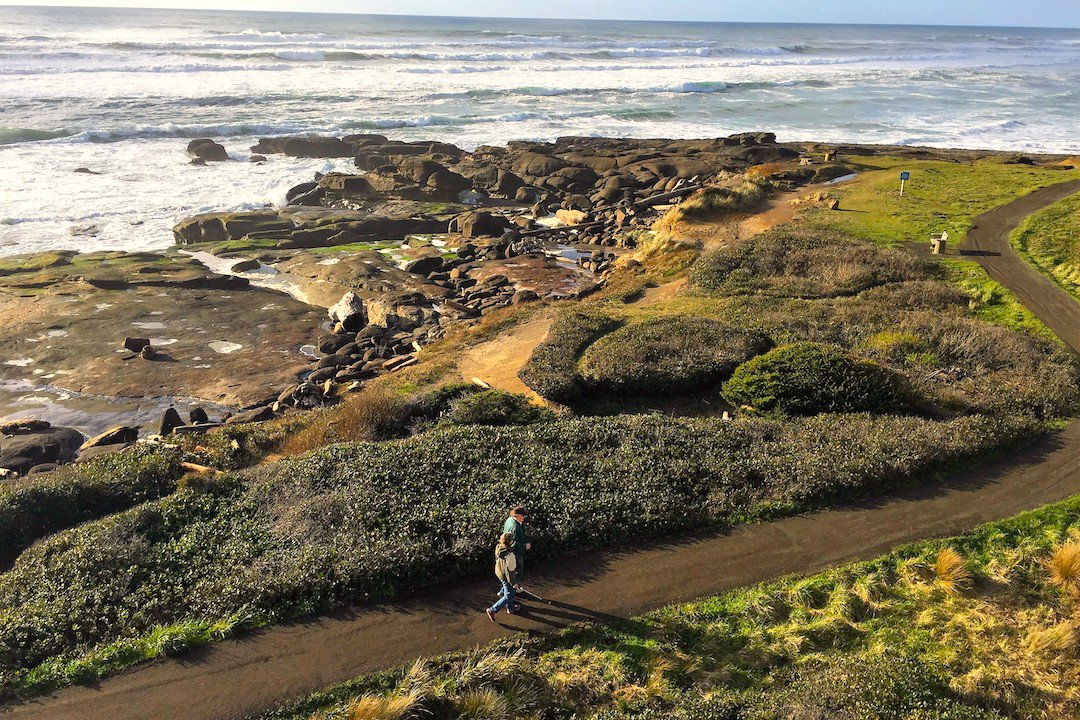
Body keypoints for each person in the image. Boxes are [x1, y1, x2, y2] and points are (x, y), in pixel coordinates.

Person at [486, 532, 520, 620]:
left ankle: (510, 608)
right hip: (506, 576)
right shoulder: (510, 555)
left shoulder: (499, 547)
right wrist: (514, 583)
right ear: (510, 542)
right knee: (509, 595)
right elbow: (511, 572)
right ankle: (493, 610)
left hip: (499, 572)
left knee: (509, 590)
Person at [502, 505, 530, 582]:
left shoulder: (512, 520)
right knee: (517, 572)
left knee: (510, 573)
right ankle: (512, 588)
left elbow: (523, 530)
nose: (524, 518)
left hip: (514, 553)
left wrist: (526, 542)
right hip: (515, 554)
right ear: (518, 516)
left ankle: (504, 591)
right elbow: (513, 543)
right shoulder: (515, 527)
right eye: (523, 516)